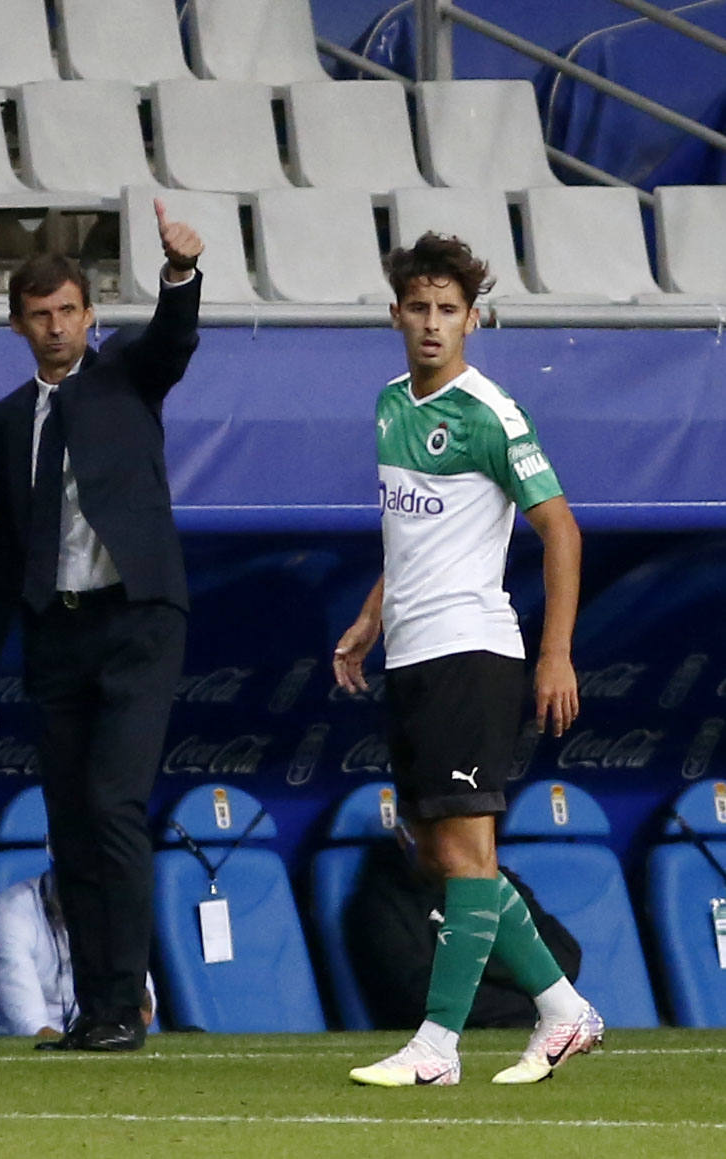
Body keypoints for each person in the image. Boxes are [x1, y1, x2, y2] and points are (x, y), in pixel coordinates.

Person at [333, 232, 602, 1086]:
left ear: (472, 320)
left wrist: (555, 654)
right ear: (395, 314)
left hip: (472, 649)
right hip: (412, 653)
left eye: (448, 309)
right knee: (448, 858)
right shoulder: (389, 405)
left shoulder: (490, 413)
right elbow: (412, 535)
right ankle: (563, 1008)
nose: (432, 323)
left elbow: (561, 529)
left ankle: (437, 1046)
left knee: (468, 853)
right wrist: (371, 616)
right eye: (418, 307)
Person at [0, 200, 204, 1052]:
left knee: (112, 804)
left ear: (91, 315)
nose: (57, 327)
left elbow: (173, 340)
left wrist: (180, 274)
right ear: (17, 325)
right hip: (54, 631)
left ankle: (125, 1004)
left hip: (136, 618)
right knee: (69, 820)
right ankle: (95, 1011)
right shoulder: (6, 420)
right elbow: (4, 541)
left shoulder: (127, 374)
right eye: (40, 315)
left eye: (68, 310)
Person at [346, 827, 581, 1031]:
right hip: (447, 1034)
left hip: (524, 1025)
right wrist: (530, 993)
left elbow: (566, 957)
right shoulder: (381, 902)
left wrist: (479, 968)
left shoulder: (497, 883)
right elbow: (415, 994)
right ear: (404, 837)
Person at [0, 870, 156, 1040]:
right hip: (10, 1053)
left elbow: (142, 1013)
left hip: (81, 1041)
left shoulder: (109, 912)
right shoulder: (9, 919)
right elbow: (30, 1030)